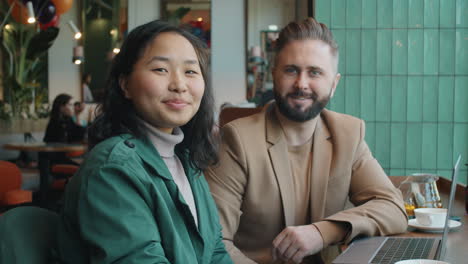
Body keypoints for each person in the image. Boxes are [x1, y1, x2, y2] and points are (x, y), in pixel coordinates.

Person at [205, 18, 408, 264]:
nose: (302, 84)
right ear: (274, 75)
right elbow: (215, 244)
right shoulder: (237, 139)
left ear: (333, 85)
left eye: (314, 72)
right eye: (291, 70)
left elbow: (393, 208)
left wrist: (322, 232)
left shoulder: (348, 134)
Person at [53, 20, 233, 264]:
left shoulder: (186, 160)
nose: (179, 85)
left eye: (190, 71)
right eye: (160, 69)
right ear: (125, 84)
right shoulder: (113, 169)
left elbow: (215, 252)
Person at [43, 93, 86, 166]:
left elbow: (79, 134)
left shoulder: (67, 120)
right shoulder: (56, 123)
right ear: (61, 107)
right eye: (70, 104)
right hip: (55, 161)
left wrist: (77, 114)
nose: (73, 107)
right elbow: (70, 138)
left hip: (64, 158)